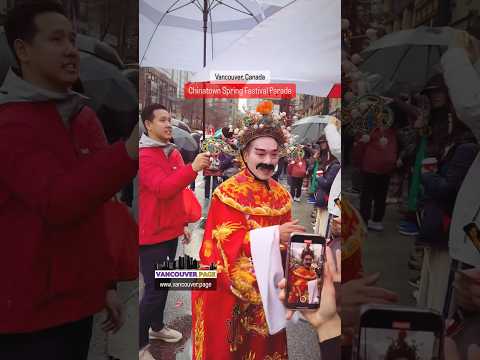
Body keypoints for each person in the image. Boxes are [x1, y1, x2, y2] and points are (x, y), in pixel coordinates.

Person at [0, 2, 138, 359]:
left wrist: (106, 284)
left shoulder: (83, 116)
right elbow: (58, 201)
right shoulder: (11, 124)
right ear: (23, 50)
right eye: (56, 39)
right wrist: (127, 153)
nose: (70, 50)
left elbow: (98, 209)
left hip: (79, 303)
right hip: (28, 317)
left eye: (73, 39)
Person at [191, 101, 305, 359]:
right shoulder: (227, 194)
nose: (268, 161)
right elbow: (222, 245)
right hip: (233, 293)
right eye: (260, 153)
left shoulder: (282, 195)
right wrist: (275, 235)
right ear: (244, 153)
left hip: (270, 291)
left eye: (274, 155)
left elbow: (289, 248)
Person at [138, 104, 210, 349]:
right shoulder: (144, 156)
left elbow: (178, 194)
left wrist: (182, 223)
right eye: (162, 120)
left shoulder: (173, 152)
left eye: (169, 119)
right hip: (151, 236)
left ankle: (156, 328)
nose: (168, 124)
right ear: (148, 125)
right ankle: (139, 346)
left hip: (170, 232)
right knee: (154, 290)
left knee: (164, 284)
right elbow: (163, 188)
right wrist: (193, 169)